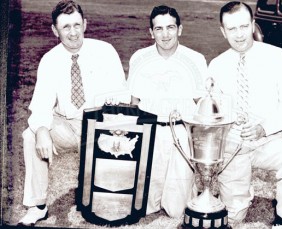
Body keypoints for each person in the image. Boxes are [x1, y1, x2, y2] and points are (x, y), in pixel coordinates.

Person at [18, 0, 130, 226]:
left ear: (85, 24)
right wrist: (41, 130)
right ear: (54, 31)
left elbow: (123, 96)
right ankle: (37, 205)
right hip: (68, 126)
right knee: (30, 136)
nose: (73, 32)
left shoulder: (105, 51)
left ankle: (106, 193)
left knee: (105, 205)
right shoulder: (50, 60)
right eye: (66, 27)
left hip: (102, 126)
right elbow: (41, 103)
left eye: (77, 25)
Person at [208, 2, 282, 229]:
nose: (239, 34)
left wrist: (263, 127)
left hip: (267, 140)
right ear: (222, 31)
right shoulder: (216, 66)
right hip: (233, 146)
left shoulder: (278, 57)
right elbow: (213, 115)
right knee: (233, 217)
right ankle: (241, 192)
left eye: (244, 26)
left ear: (253, 24)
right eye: (231, 29)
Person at [127, 5, 207, 218]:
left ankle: (183, 187)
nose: (165, 34)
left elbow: (202, 104)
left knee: (177, 210)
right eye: (159, 29)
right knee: (144, 205)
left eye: (170, 27)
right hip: (149, 132)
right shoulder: (139, 58)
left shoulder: (195, 59)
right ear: (151, 32)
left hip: (180, 133)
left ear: (180, 29)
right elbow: (133, 102)